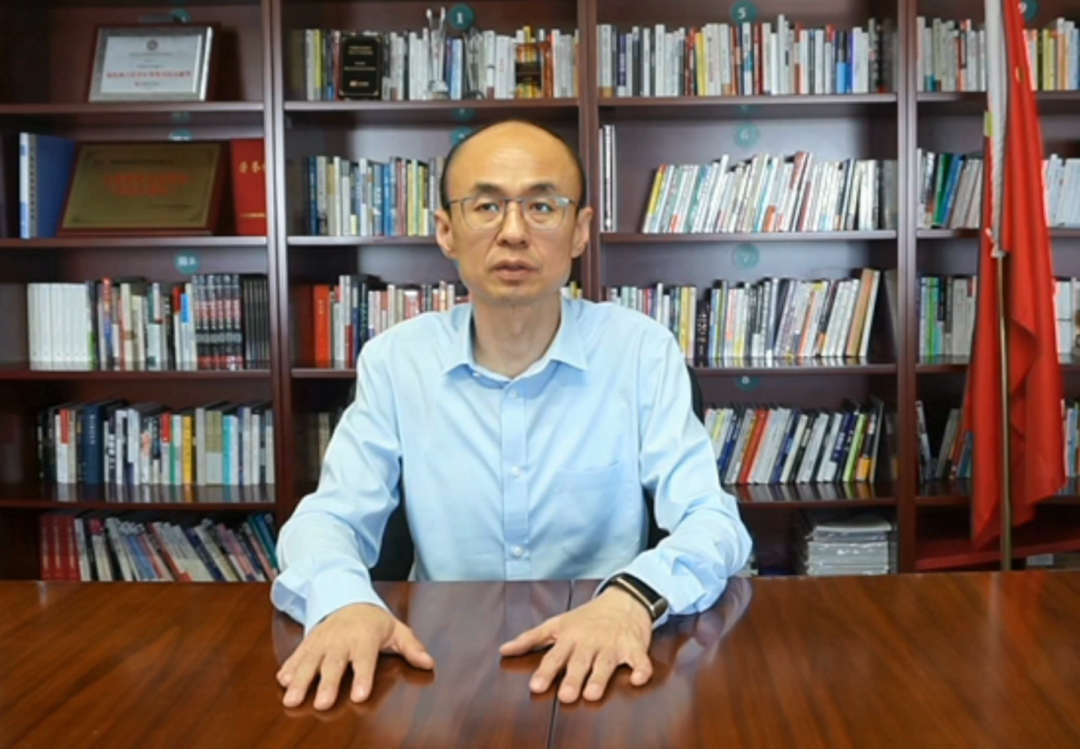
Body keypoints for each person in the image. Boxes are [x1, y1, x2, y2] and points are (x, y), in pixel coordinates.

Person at [270, 119, 753, 711]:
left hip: (606, 659)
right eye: (486, 207)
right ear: (446, 231)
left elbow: (713, 521)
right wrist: (344, 603)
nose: (515, 233)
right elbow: (327, 519)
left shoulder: (640, 352)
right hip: (440, 668)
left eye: (542, 207)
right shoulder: (397, 361)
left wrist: (632, 598)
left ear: (580, 231)